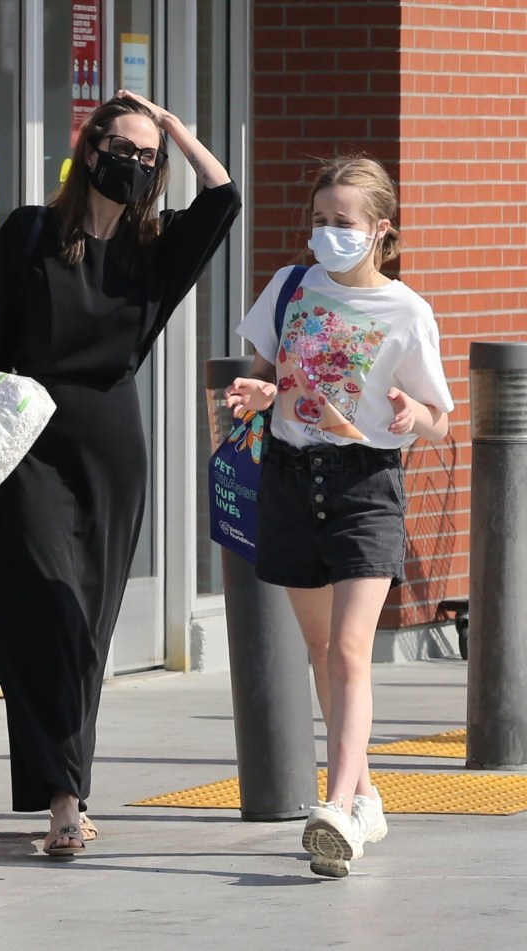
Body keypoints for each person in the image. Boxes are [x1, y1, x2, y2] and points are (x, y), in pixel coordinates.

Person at [0, 91, 241, 857]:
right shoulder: (31, 232)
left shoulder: (151, 251)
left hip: (111, 453)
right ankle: (63, 789)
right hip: (29, 444)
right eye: (120, 147)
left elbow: (223, 198)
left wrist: (175, 129)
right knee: (37, 614)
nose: (132, 163)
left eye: (146, 158)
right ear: (89, 150)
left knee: (85, 628)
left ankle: (67, 797)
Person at [225, 155, 453, 878]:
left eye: (343, 222)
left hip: (364, 486)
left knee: (353, 651)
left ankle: (339, 807)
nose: (327, 234)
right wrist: (257, 394)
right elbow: (266, 371)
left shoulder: (407, 311)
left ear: (380, 229)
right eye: (319, 220)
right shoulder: (290, 287)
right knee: (323, 652)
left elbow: (441, 420)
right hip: (293, 481)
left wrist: (413, 412)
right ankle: (366, 793)